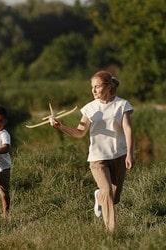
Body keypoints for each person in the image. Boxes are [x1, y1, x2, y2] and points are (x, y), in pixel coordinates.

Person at [52, 71, 134, 231]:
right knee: (107, 191)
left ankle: (99, 196)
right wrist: (60, 127)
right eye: (92, 87)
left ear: (109, 87)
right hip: (97, 159)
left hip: (119, 155)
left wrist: (130, 153)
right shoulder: (90, 108)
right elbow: (79, 132)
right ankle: (112, 232)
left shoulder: (122, 105)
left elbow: (128, 129)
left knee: (114, 198)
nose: (93, 90)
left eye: (97, 86)